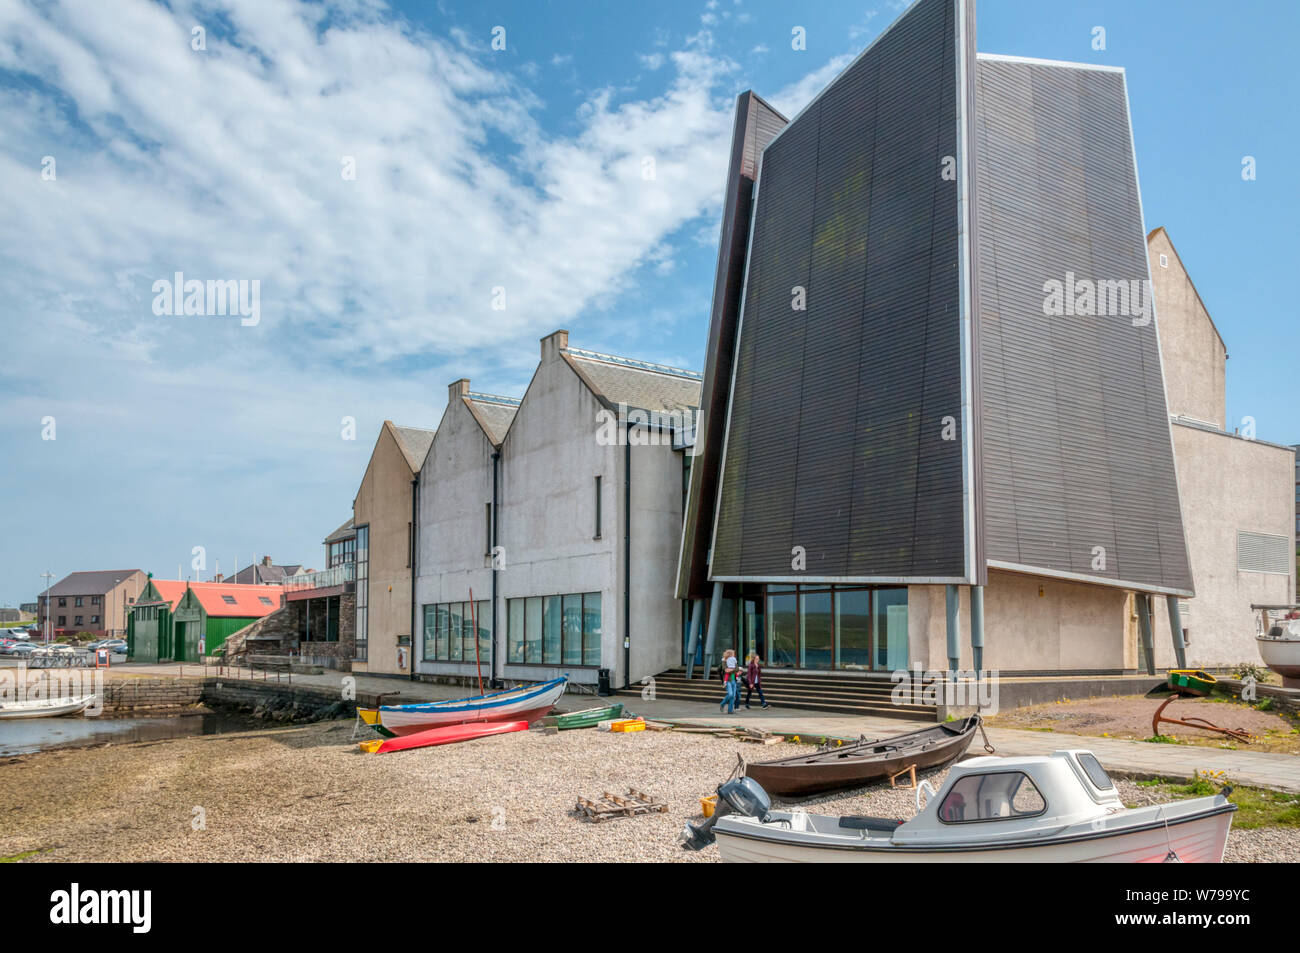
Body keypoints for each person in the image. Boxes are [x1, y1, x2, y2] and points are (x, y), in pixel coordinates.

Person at [718, 649, 739, 714]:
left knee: (733, 696)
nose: (734, 655)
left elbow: (737, 669)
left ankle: (730, 710)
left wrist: (731, 670)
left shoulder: (733, 660)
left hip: (733, 680)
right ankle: (722, 704)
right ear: (730, 654)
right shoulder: (724, 661)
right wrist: (732, 669)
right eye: (733, 654)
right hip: (727, 680)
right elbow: (725, 669)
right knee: (730, 694)